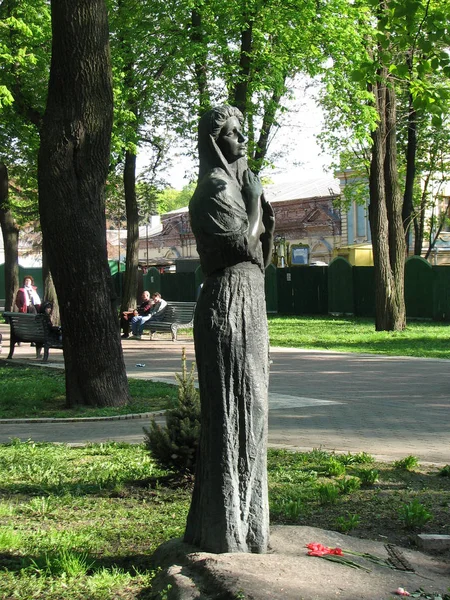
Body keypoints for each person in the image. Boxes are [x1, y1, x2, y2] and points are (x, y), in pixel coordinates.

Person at [184, 105, 275, 554]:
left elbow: (261, 248)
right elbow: (242, 244)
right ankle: (225, 532)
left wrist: (256, 200)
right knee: (235, 413)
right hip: (229, 305)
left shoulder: (233, 184)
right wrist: (256, 201)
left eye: (242, 133)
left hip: (249, 302)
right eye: (234, 135)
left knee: (253, 411)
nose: (242, 141)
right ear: (216, 141)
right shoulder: (215, 189)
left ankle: (247, 527)